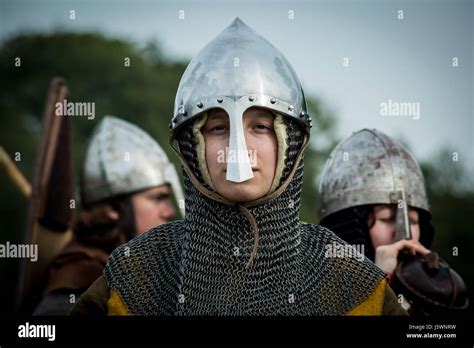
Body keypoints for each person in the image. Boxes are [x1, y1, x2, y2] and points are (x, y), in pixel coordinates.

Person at [71, 18, 406, 316]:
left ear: (289, 143)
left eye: (260, 127)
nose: (238, 150)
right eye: (218, 128)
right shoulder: (136, 275)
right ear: (191, 146)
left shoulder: (347, 281)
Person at [33, 116, 184, 315]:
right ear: (113, 210)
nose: (169, 211)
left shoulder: (143, 269)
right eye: (158, 198)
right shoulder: (78, 281)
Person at [318, 128, 468, 313]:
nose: (404, 234)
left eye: (413, 220)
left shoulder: (435, 296)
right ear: (348, 227)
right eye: (387, 218)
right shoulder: (317, 294)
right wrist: (379, 281)